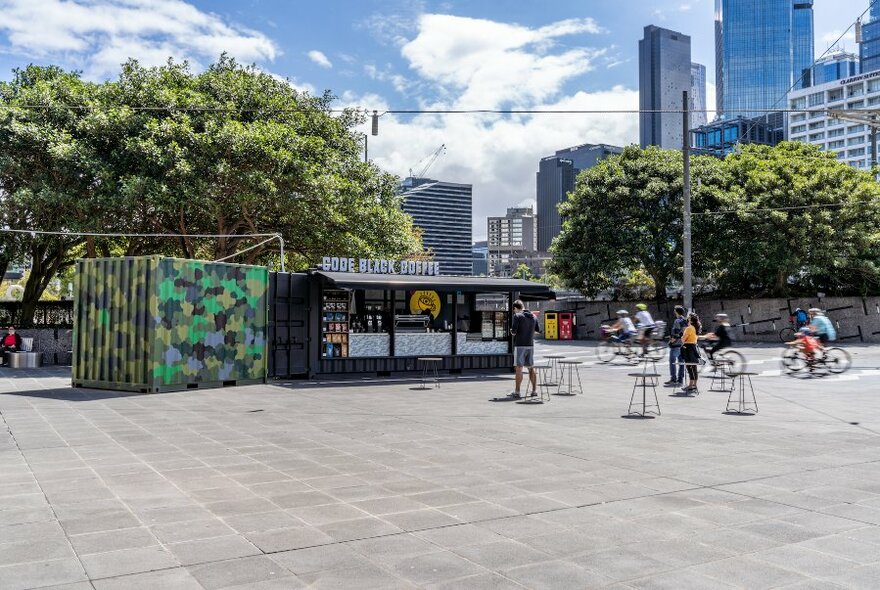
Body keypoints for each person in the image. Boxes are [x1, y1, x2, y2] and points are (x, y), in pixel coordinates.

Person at [509, 300, 538, 398]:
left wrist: (511, 331)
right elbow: (537, 331)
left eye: (514, 310)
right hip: (530, 345)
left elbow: (513, 332)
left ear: (515, 308)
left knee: (519, 368)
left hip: (520, 345)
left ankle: (517, 392)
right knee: (531, 368)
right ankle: (534, 391)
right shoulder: (534, 316)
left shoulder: (517, 316)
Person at [665, 305, 687, 386]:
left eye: (674, 310)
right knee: (681, 363)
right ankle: (680, 380)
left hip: (676, 345)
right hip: (683, 345)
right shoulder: (685, 320)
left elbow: (676, 334)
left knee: (672, 362)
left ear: (676, 312)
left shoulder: (677, 321)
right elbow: (684, 333)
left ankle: (673, 379)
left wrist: (671, 342)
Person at [681, 313, 701, 391]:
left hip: (688, 348)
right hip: (694, 347)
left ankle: (690, 385)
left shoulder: (689, 328)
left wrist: (682, 337)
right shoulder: (696, 327)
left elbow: (683, 339)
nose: (687, 320)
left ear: (690, 320)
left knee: (689, 367)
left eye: (688, 318)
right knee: (694, 367)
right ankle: (694, 385)